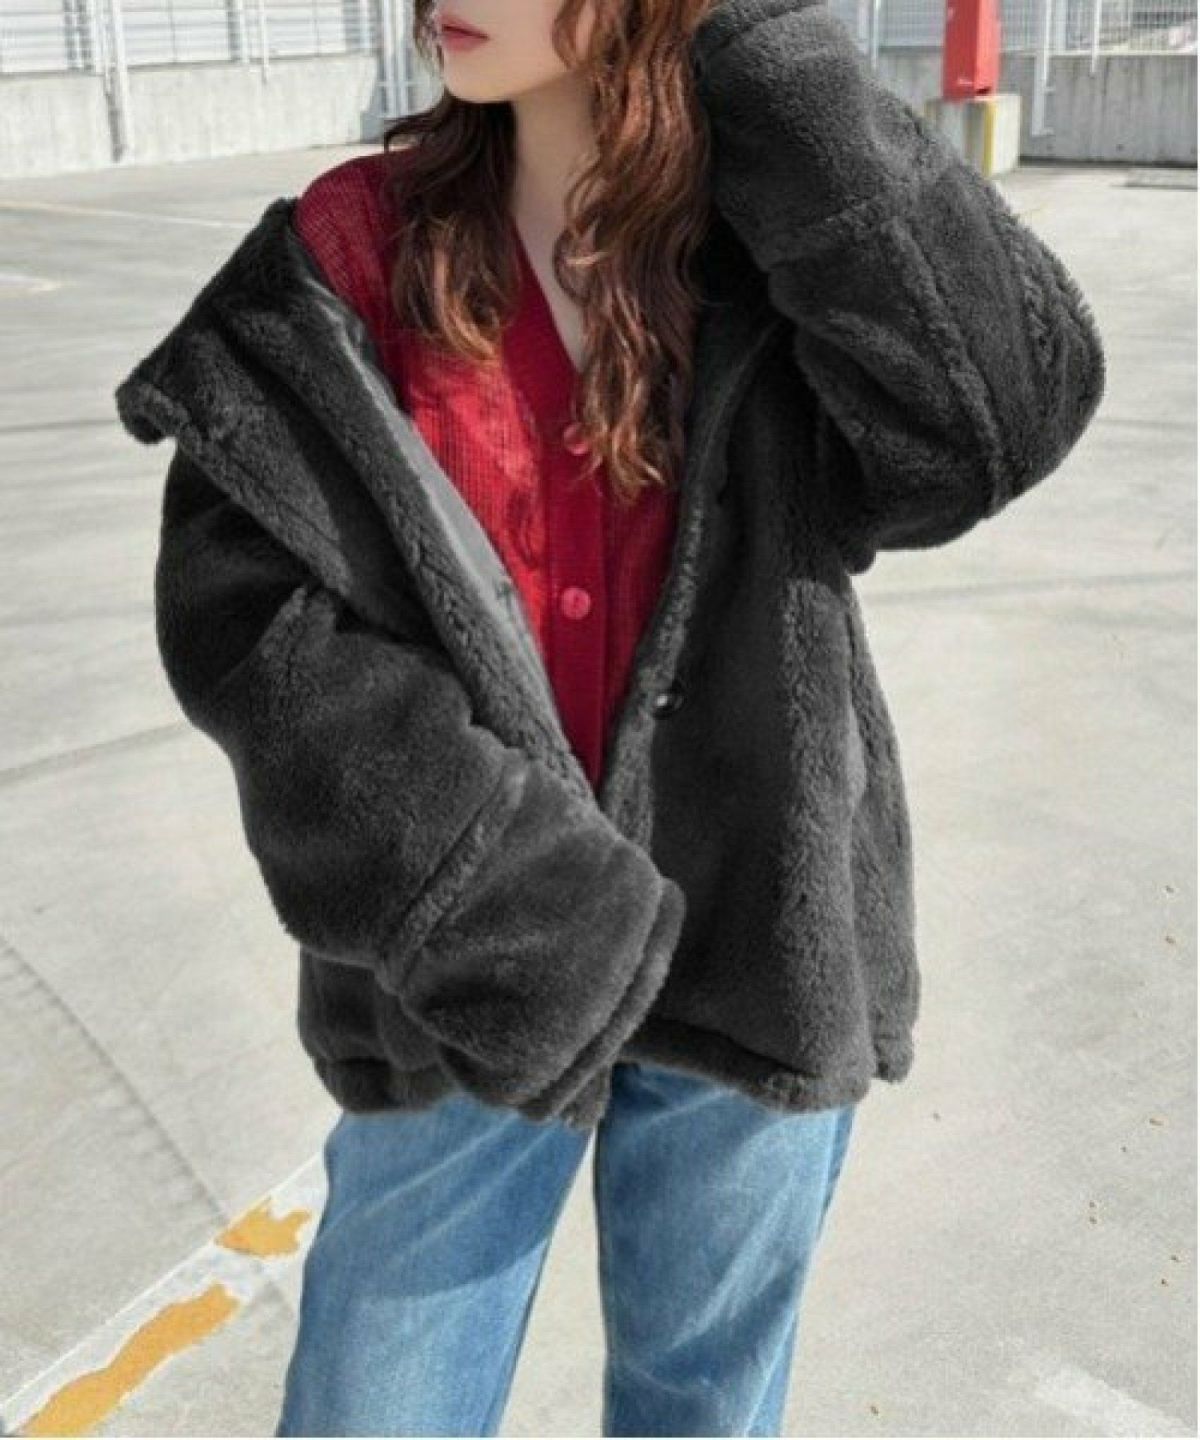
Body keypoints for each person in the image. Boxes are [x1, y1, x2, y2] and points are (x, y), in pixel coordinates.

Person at [113, 0, 1107, 1431]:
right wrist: (498, 904)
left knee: (704, 1407)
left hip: (752, 946)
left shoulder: (772, 242)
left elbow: (998, 418)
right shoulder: (356, 248)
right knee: (373, 1409)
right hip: (472, 976)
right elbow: (256, 621)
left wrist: (771, 67)